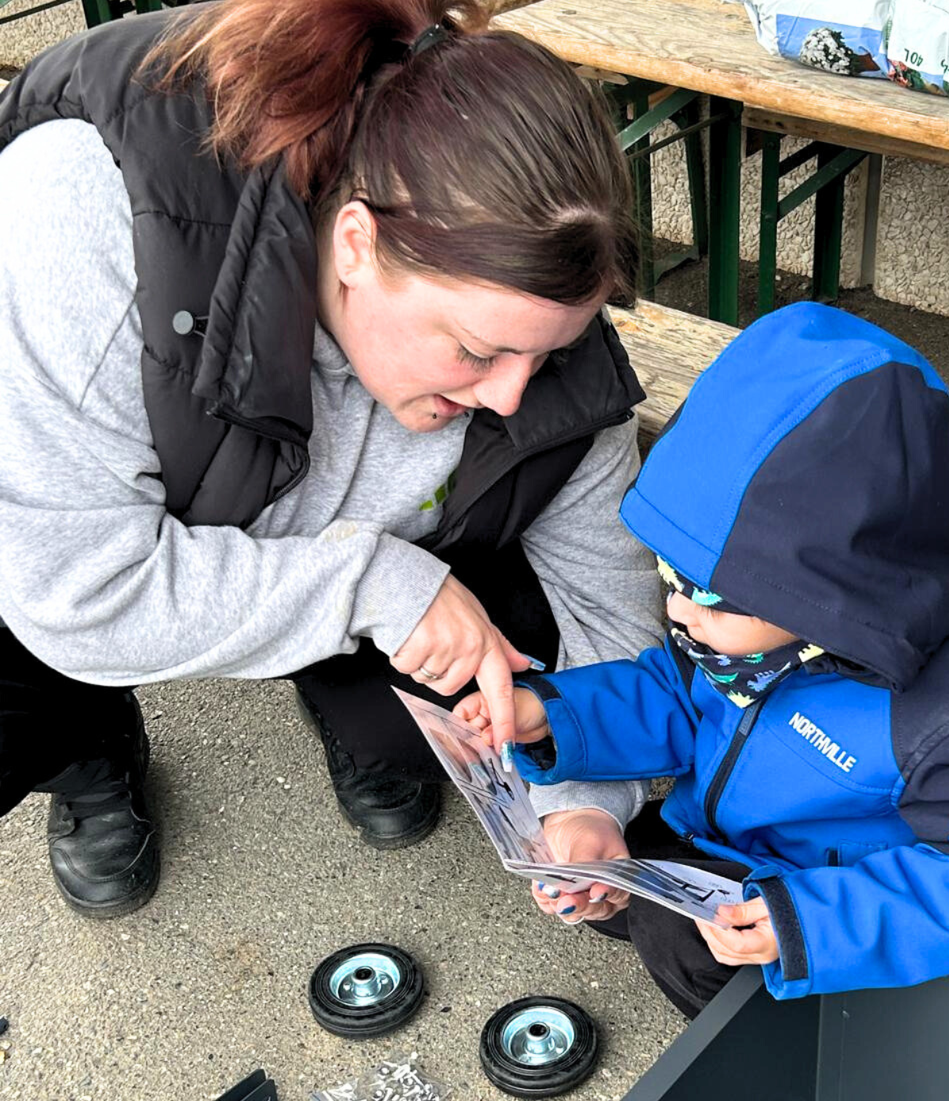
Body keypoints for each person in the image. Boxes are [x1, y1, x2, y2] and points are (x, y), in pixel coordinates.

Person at [0, 0, 662, 918]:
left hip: (284, 514)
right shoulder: (85, 215)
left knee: (457, 695)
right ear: (356, 243)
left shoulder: (538, 312)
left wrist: (587, 798)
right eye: (475, 352)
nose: (514, 395)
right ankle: (86, 755)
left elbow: (609, 600)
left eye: (544, 357)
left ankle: (342, 693)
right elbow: (75, 588)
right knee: (16, 695)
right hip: (56, 517)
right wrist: (372, 586)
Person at [457, 303, 949, 1017]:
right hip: (724, 834)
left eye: (712, 602)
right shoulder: (756, 614)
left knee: (679, 937)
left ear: (829, 597)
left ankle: (800, 1025)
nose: (681, 612)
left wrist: (807, 925)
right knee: (609, 857)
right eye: (670, 578)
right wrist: (556, 717)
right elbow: (677, 692)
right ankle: (650, 899)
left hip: (822, 895)